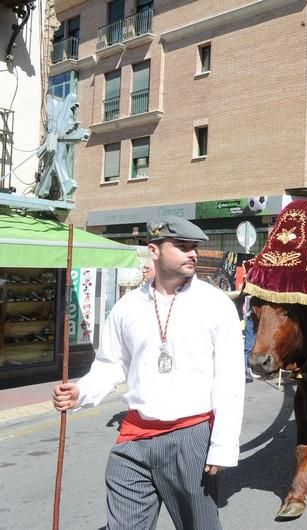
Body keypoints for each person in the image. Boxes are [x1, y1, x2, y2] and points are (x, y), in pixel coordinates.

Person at [52, 216, 245, 529]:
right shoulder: (127, 307)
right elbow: (110, 363)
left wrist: (223, 444)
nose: (192, 254)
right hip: (134, 439)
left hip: (191, 436)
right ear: (154, 250)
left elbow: (230, 381)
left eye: (193, 247)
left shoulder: (215, 304)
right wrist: (81, 392)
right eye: (182, 247)